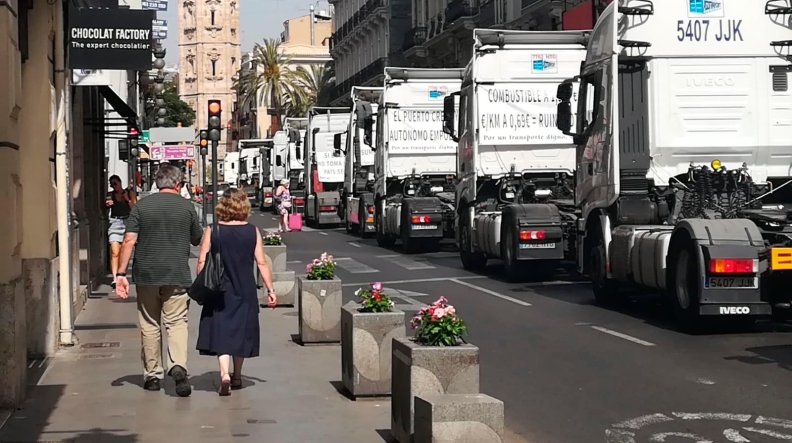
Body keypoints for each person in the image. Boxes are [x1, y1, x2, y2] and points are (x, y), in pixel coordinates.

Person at [115, 164, 203, 397]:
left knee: (149, 323)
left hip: (147, 274)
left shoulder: (141, 207)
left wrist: (120, 274)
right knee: (176, 322)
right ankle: (178, 366)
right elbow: (197, 238)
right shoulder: (187, 207)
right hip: (176, 274)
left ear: (157, 183)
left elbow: (128, 240)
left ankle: (153, 375)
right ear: (177, 184)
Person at [196, 188, 277, 396]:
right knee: (240, 331)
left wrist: (203, 284)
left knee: (222, 330)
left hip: (218, 289)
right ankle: (237, 375)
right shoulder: (252, 231)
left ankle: (224, 374)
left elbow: (202, 260)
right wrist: (270, 289)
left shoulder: (213, 230)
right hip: (245, 289)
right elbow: (261, 262)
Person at [106, 175, 136, 289]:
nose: (114, 186)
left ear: (120, 182)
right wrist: (107, 204)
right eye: (112, 184)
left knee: (124, 250)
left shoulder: (129, 193)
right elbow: (106, 204)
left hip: (127, 222)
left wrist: (126, 199)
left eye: (115, 183)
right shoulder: (110, 195)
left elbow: (134, 207)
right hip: (115, 222)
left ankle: (121, 273)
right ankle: (114, 278)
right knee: (114, 251)